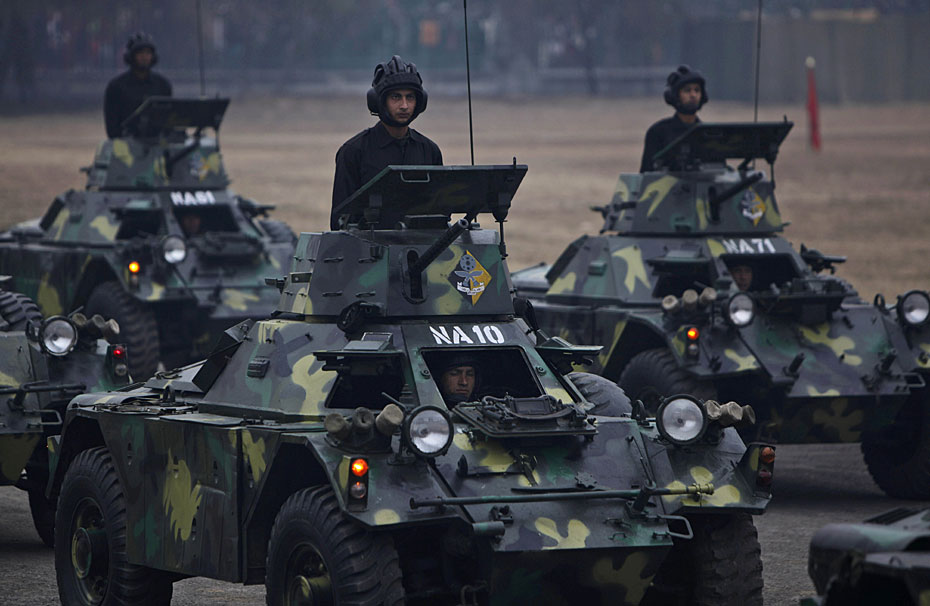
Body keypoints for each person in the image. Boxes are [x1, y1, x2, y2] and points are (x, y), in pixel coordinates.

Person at [331, 55, 443, 229]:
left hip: (421, 243)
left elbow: (439, 212)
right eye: (396, 97)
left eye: (410, 97)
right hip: (368, 245)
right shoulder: (354, 151)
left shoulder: (428, 150)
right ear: (378, 102)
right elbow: (340, 223)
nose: (404, 106)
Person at [639, 64, 708, 172]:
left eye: (697, 90)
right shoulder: (659, 132)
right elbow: (646, 174)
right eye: (687, 90)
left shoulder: (707, 134)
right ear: (676, 95)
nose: (693, 95)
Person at [104, 32, 172, 139]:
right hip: (126, 143)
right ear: (131, 56)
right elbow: (112, 128)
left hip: (157, 142)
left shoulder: (162, 85)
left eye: (148, 53)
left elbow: (169, 121)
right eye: (140, 53)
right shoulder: (116, 87)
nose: (144, 57)